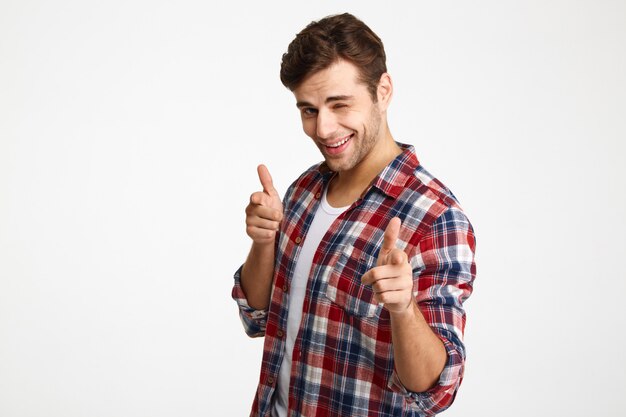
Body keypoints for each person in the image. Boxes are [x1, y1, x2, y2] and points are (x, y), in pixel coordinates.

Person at [231, 12, 476, 417]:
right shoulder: (304, 191)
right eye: (308, 110)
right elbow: (258, 316)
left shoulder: (436, 217)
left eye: (339, 104)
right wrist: (263, 242)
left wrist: (403, 308)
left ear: (383, 91)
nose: (324, 129)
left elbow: (435, 391)